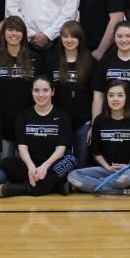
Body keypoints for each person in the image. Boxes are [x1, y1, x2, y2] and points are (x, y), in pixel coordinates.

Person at [0, 77, 76, 197]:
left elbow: (60, 150)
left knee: (70, 160)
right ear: (32, 92)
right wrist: (31, 167)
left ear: (52, 92)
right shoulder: (23, 116)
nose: (40, 95)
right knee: (6, 163)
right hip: (31, 164)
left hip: (52, 164)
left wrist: (45, 167)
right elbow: (22, 148)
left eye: (45, 90)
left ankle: (21, 188)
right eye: (36, 90)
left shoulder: (63, 116)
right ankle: (56, 185)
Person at [67, 80, 130, 194]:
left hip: (128, 171)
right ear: (106, 98)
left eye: (120, 95)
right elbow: (96, 152)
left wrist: (128, 166)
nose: (115, 99)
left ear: (126, 98)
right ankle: (125, 191)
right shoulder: (99, 120)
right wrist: (108, 167)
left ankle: (93, 186)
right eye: (111, 95)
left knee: (128, 178)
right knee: (73, 176)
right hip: (105, 169)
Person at [0, 16, 43, 158]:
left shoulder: (36, 59)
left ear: (23, 34)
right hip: (2, 121)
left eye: (18, 30)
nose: (14, 34)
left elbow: (42, 92)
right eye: (10, 30)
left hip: (29, 121)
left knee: (25, 165)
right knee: (5, 165)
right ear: (4, 33)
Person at [48, 21, 96, 168]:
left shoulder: (91, 62)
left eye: (73, 36)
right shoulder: (51, 62)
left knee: (81, 165)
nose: (69, 40)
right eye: (65, 36)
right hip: (58, 122)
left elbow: (97, 96)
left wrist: (93, 124)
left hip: (83, 122)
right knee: (60, 166)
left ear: (80, 39)